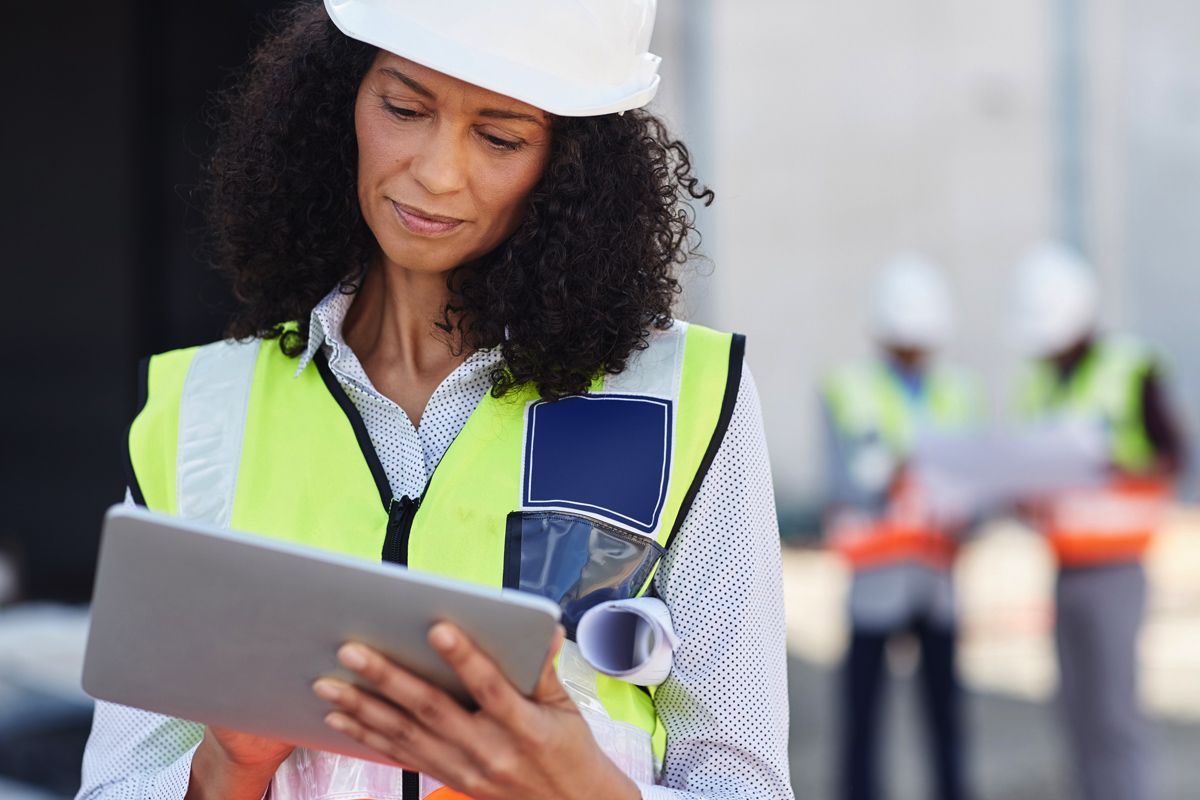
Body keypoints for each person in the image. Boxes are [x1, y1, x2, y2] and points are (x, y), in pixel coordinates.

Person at [75, 2, 794, 799]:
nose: (436, 171)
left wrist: (585, 788)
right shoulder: (202, 414)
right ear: (340, 96)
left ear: (570, 161)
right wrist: (225, 770)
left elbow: (744, 783)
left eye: (500, 137)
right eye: (404, 108)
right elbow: (119, 781)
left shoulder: (684, 401)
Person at [1011, 242, 1185, 800]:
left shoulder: (1133, 368)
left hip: (1117, 568)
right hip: (1064, 565)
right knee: (1075, 713)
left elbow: (1175, 458)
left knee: (1115, 714)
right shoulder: (1038, 380)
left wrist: (1114, 466)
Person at [821, 255, 975, 800]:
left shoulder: (957, 391)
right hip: (876, 581)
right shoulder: (847, 388)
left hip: (936, 583)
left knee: (946, 720)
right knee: (862, 721)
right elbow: (848, 484)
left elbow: (971, 481)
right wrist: (898, 475)